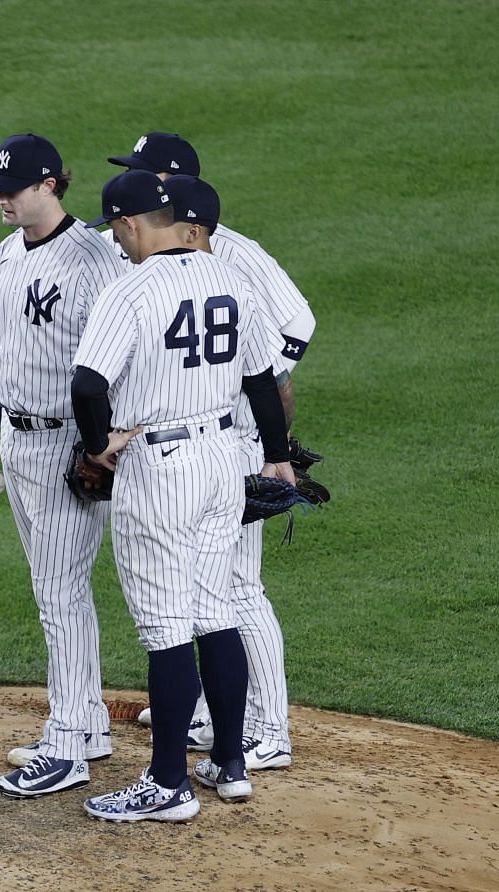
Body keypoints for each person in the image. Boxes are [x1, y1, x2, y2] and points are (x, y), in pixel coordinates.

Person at [70, 171, 297, 822]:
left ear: (135, 223)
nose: (117, 239)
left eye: (118, 228)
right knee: (214, 608)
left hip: (161, 464)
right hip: (226, 457)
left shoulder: (132, 289)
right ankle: (230, 763)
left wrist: (96, 447)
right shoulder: (228, 277)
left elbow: (89, 386)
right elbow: (261, 378)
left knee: (168, 626)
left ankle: (167, 781)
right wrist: (276, 457)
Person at [109, 132, 315, 770]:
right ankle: (201, 711)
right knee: (198, 591)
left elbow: (293, 329)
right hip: (192, 436)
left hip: (230, 441)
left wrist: (263, 437)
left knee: (234, 585)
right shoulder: (166, 252)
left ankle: (267, 727)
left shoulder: (233, 253)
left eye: (147, 177)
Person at [0, 133, 129, 798]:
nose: (3, 197)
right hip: (17, 435)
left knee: (61, 593)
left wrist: (103, 444)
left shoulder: (94, 259)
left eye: (16, 187)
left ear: (52, 186)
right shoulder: (7, 254)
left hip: (71, 443)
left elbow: (123, 353)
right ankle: (86, 722)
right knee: (52, 590)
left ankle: (66, 746)